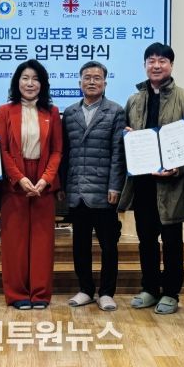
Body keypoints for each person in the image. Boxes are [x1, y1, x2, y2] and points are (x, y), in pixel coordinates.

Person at [118, 42, 184, 315]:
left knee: (172, 240)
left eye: (162, 61)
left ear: (171, 65)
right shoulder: (134, 100)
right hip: (143, 181)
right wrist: (128, 137)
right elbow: (127, 137)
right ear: (145, 65)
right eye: (151, 61)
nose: (156, 66)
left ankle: (170, 293)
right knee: (146, 239)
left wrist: (177, 167)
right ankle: (150, 288)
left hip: (173, 183)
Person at [0, 59, 62, 310]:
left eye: (35, 79)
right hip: (15, 181)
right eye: (25, 78)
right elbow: (1, 149)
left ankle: (40, 294)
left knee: (43, 241)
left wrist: (45, 179)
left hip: (43, 180)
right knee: (15, 241)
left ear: (42, 84)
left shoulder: (52, 112)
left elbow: (57, 150)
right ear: (17, 82)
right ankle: (17, 294)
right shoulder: (5, 111)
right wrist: (20, 178)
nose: (30, 83)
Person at [59, 61, 126, 311]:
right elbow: (65, 153)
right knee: (80, 245)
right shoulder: (70, 113)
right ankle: (85, 289)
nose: (92, 82)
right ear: (79, 82)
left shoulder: (115, 111)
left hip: (103, 190)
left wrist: (115, 186)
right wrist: (63, 184)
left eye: (97, 78)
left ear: (105, 83)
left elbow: (118, 153)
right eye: (87, 77)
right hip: (77, 190)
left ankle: (107, 292)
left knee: (108, 245)